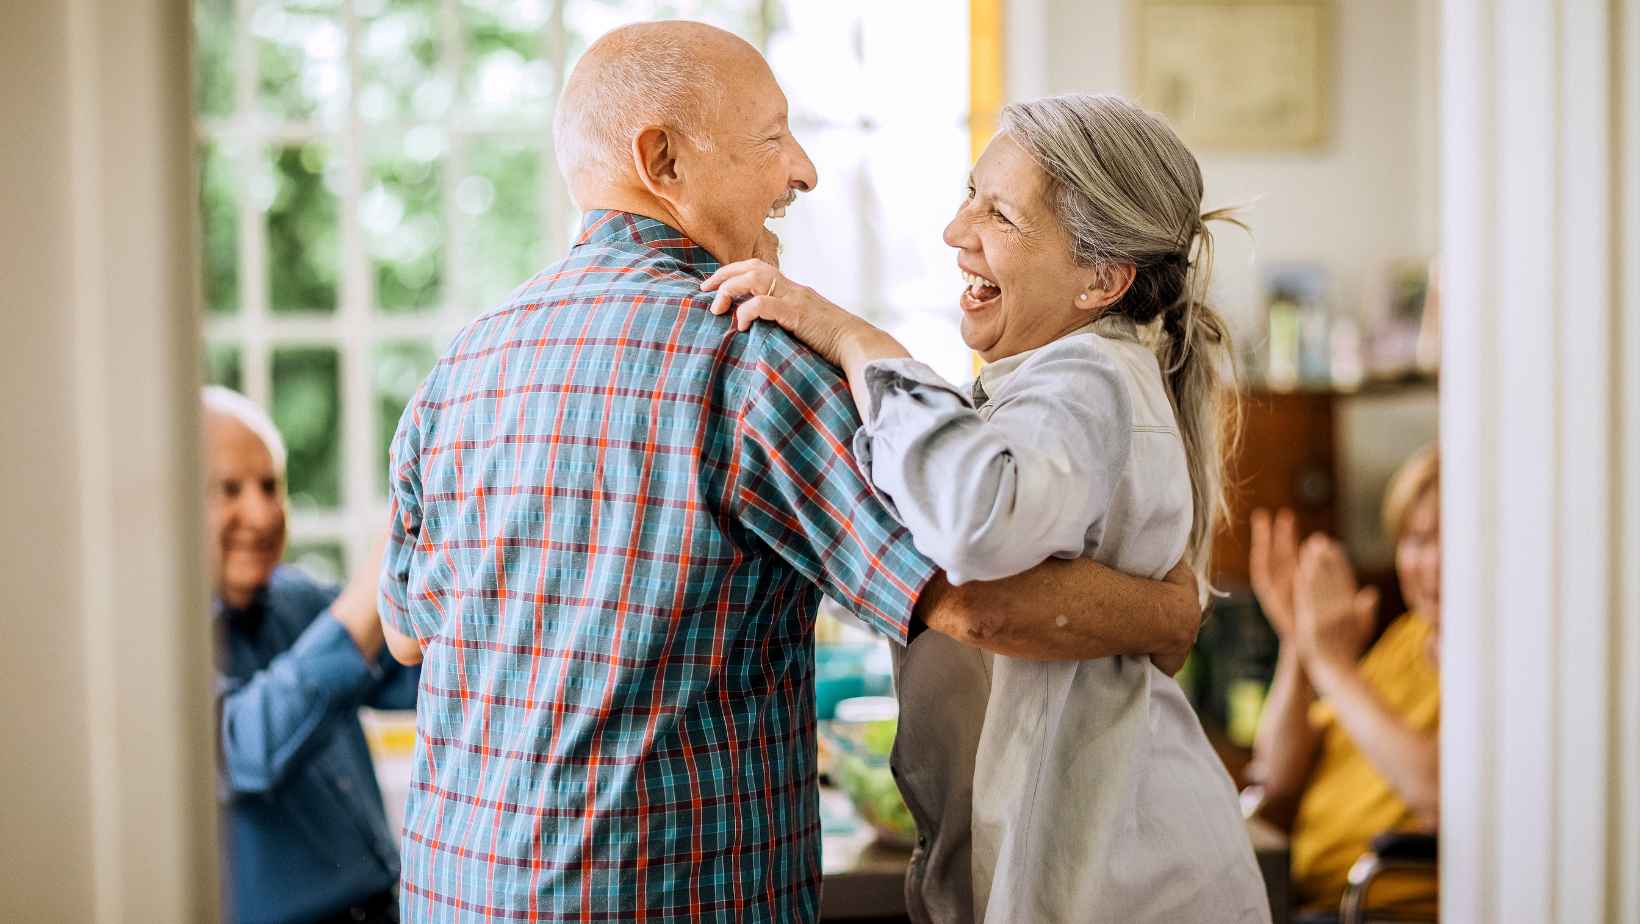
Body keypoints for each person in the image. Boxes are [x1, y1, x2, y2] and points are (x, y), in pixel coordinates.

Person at [375, 22, 1202, 924]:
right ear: (663, 160)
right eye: (773, 138)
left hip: (456, 890)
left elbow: (408, 630)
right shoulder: (751, 360)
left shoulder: (465, 360)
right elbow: (974, 601)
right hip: (661, 900)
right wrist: (1170, 611)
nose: (801, 171)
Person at [702, 93, 1269, 923]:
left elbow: (974, 521)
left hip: (1134, 885)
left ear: (1100, 280)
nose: (955, 230)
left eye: (999, 213)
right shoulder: (1064, 380)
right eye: (973, 194)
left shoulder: (1086, 380)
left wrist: (858, 341)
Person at [206, 386, 419, 924]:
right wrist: (386, 558)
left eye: (271, 485)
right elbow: (244, 746)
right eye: (229, 489)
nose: (261, 513)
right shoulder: (154, 649)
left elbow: (416, 671)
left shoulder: (299, 599)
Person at [1247, 445, 1441, 921]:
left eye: (1452, 537)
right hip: (1302, 898)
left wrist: (1333, 664)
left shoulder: (1503, 666)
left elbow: (1435, 787)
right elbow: (1276, 773)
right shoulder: (1408, 636)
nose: (1433, 564)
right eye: (1416, 541)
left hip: (1373, 907)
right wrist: (1299, 642)